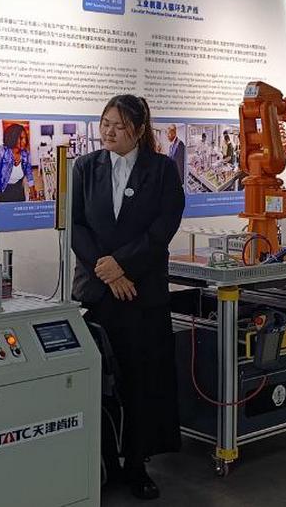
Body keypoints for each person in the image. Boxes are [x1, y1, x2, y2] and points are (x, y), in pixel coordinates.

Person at [71, 95, 185, 500]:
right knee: (96, 383)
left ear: (138, 130)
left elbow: (163, 227)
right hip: (97, 294)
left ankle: (137, 465)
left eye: (118, 126)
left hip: (140, 293)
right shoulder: (85, 167)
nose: (109, 132)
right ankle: (101, 462)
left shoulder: (161, 169)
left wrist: (123, 267)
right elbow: (75, 225)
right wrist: (105, 269)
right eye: (105, 123)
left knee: (141, 382)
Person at [0, 123, 37, 203]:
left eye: (25, 138)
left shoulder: (25, 153)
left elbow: (29, 174)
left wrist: (33, 194)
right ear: (12, 138)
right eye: (21, 138)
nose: (24, 141)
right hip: (3, 191)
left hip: (19, 190)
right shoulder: (2, 151)